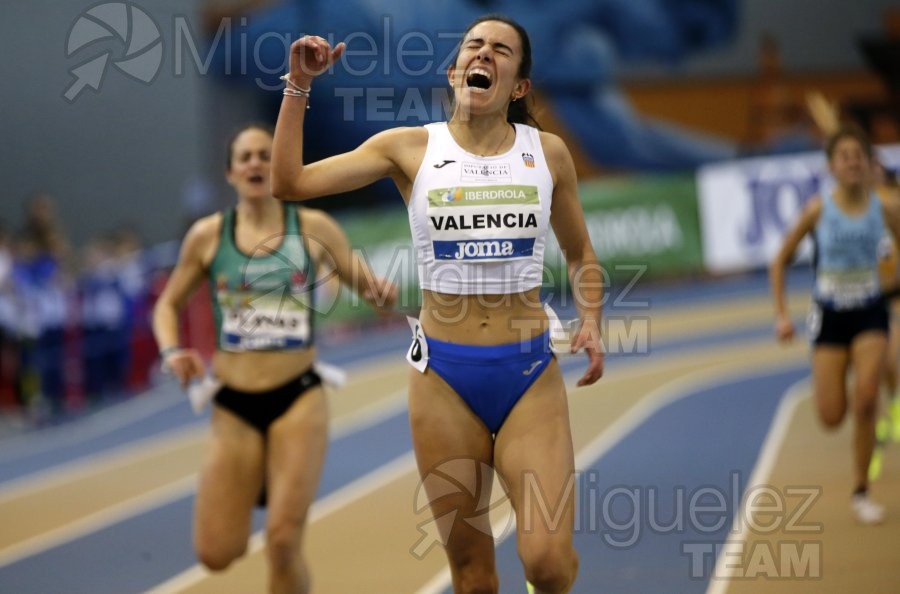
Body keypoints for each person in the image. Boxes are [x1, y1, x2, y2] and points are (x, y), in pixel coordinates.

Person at [271, 15, 604, 594]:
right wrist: (299, 85)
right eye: (474, 45)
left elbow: (582, 254)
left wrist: (593, 319)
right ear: (454, 71)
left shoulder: (546, 154)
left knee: (547, 563)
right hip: (443, 380)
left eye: (501, 50)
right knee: (473, 578)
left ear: (518, 85)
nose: (485, 53)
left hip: (528, 374)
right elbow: (290, 183)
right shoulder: (409, 148)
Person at [152, 123, 396, 593]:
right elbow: (167, 304)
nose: (256, 164)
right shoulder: (207, 236)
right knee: (215, 553)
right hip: (234, 406)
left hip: (297, 398)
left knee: (283, 542)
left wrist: (380, 292)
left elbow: (367, 286)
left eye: (266, 155)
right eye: (245, 157)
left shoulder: (312, 228)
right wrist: (172, 349)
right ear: (229, 172)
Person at [769, 125, 900, 525]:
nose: (852, 162)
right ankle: (850, 386)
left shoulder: (886, 207)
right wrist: (782, 315)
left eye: (858, 156)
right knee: (830, 416)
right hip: (829, 317)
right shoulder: (818, 210)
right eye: (844, 157)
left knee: (865, 401)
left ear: (867, 163)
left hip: (870, 313)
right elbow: (779, 261)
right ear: (832, 167)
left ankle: (861, 490)